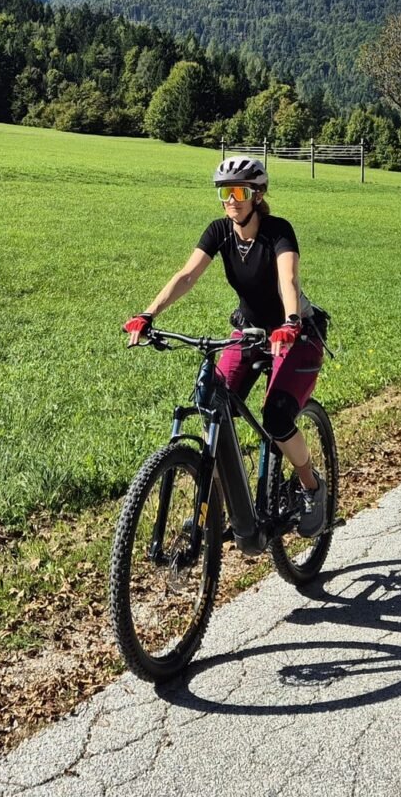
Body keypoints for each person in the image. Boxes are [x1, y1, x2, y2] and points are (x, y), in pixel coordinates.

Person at [131, 156, 329, 537]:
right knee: (213, 405)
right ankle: (219, 506)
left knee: (277, 417)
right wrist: (148, 314)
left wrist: (290, 322)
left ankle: (311, 486)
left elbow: (288, 279)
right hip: (250, 332)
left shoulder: (278, 231)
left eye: (239, 191)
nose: (232, 200)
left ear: (258, 195)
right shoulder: (220, 231)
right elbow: (187, 276)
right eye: (225, 193)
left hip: (296, 335)